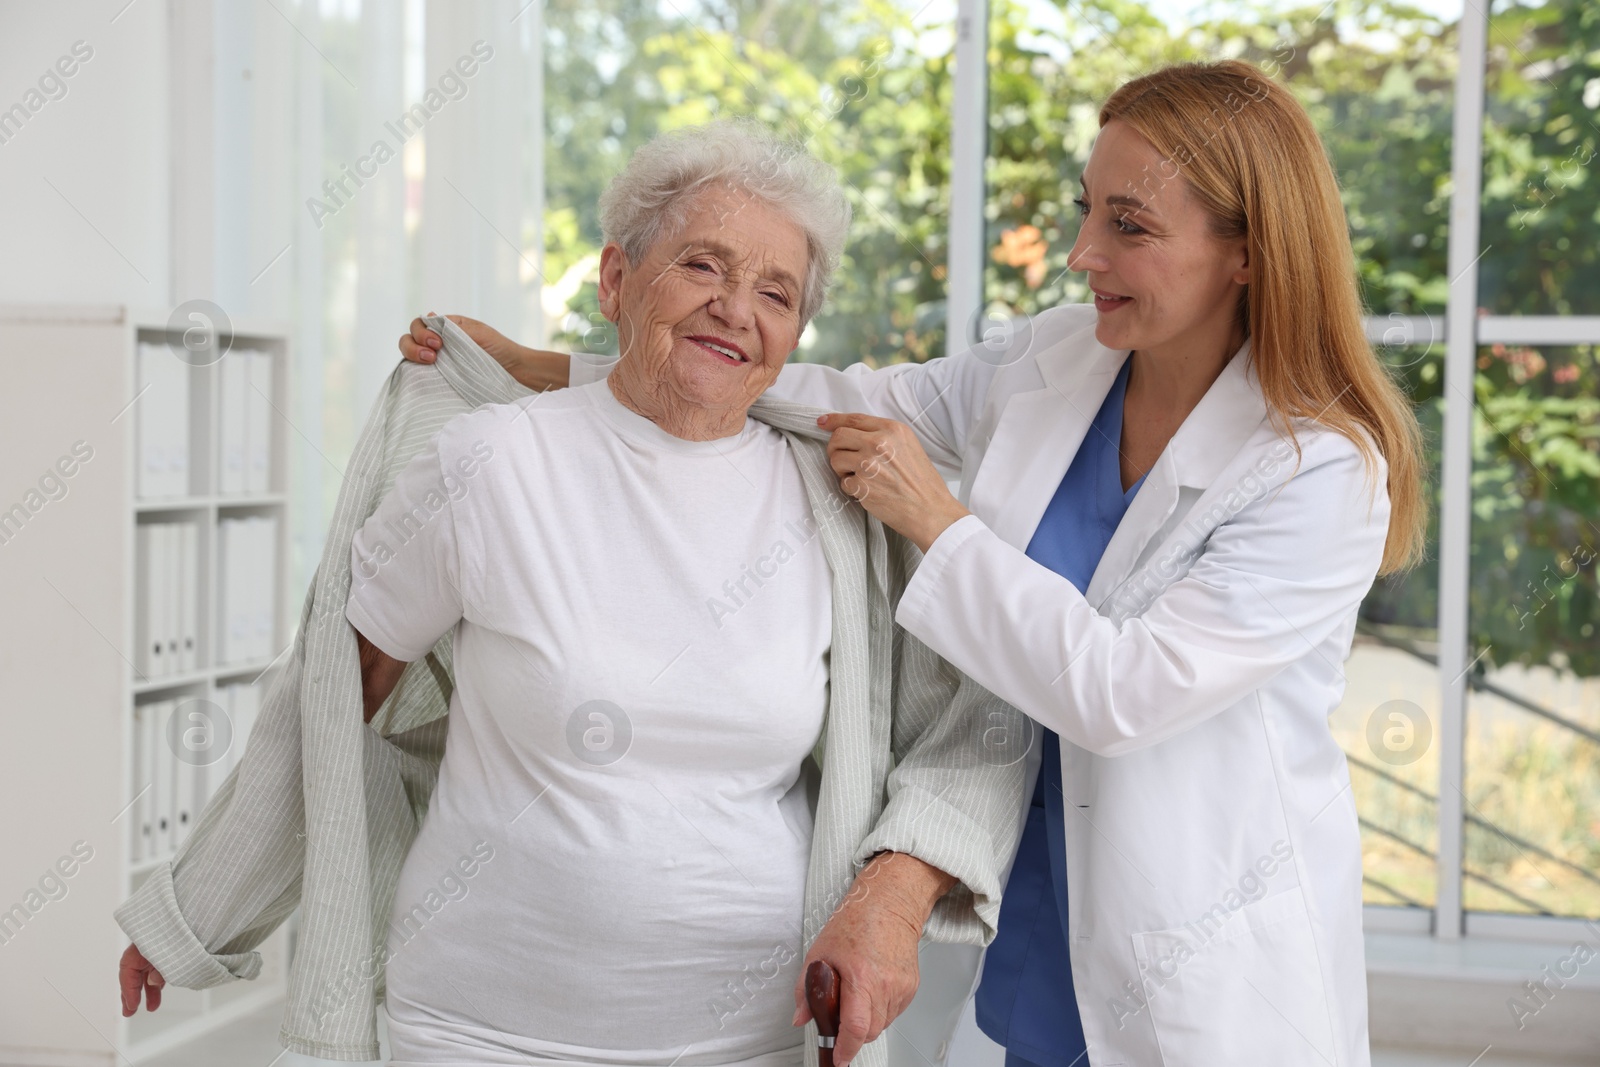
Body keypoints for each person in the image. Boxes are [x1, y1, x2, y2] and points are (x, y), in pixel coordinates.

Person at [400, 60, 1425, 1065]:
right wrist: (564, 368)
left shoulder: (1315, 471)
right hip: (1030, 911)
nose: (1080, 254)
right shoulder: (1066, 360)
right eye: (1087, 209)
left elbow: (1125, 690)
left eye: (1128, 225)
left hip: (1195, 942)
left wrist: (939, 523)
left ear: (1245, 252)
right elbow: (845, 394)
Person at [117, 122, 1030, 1067]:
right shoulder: (492, 462)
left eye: (775, 293)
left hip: (753, 1036)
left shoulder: (837, 505)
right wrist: (197, 912)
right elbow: (329, 694)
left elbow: (969, 719)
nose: (734, 309)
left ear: (797, 335)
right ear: (615, 280)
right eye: (701, 266)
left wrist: (894, 894)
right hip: (478, 1030)